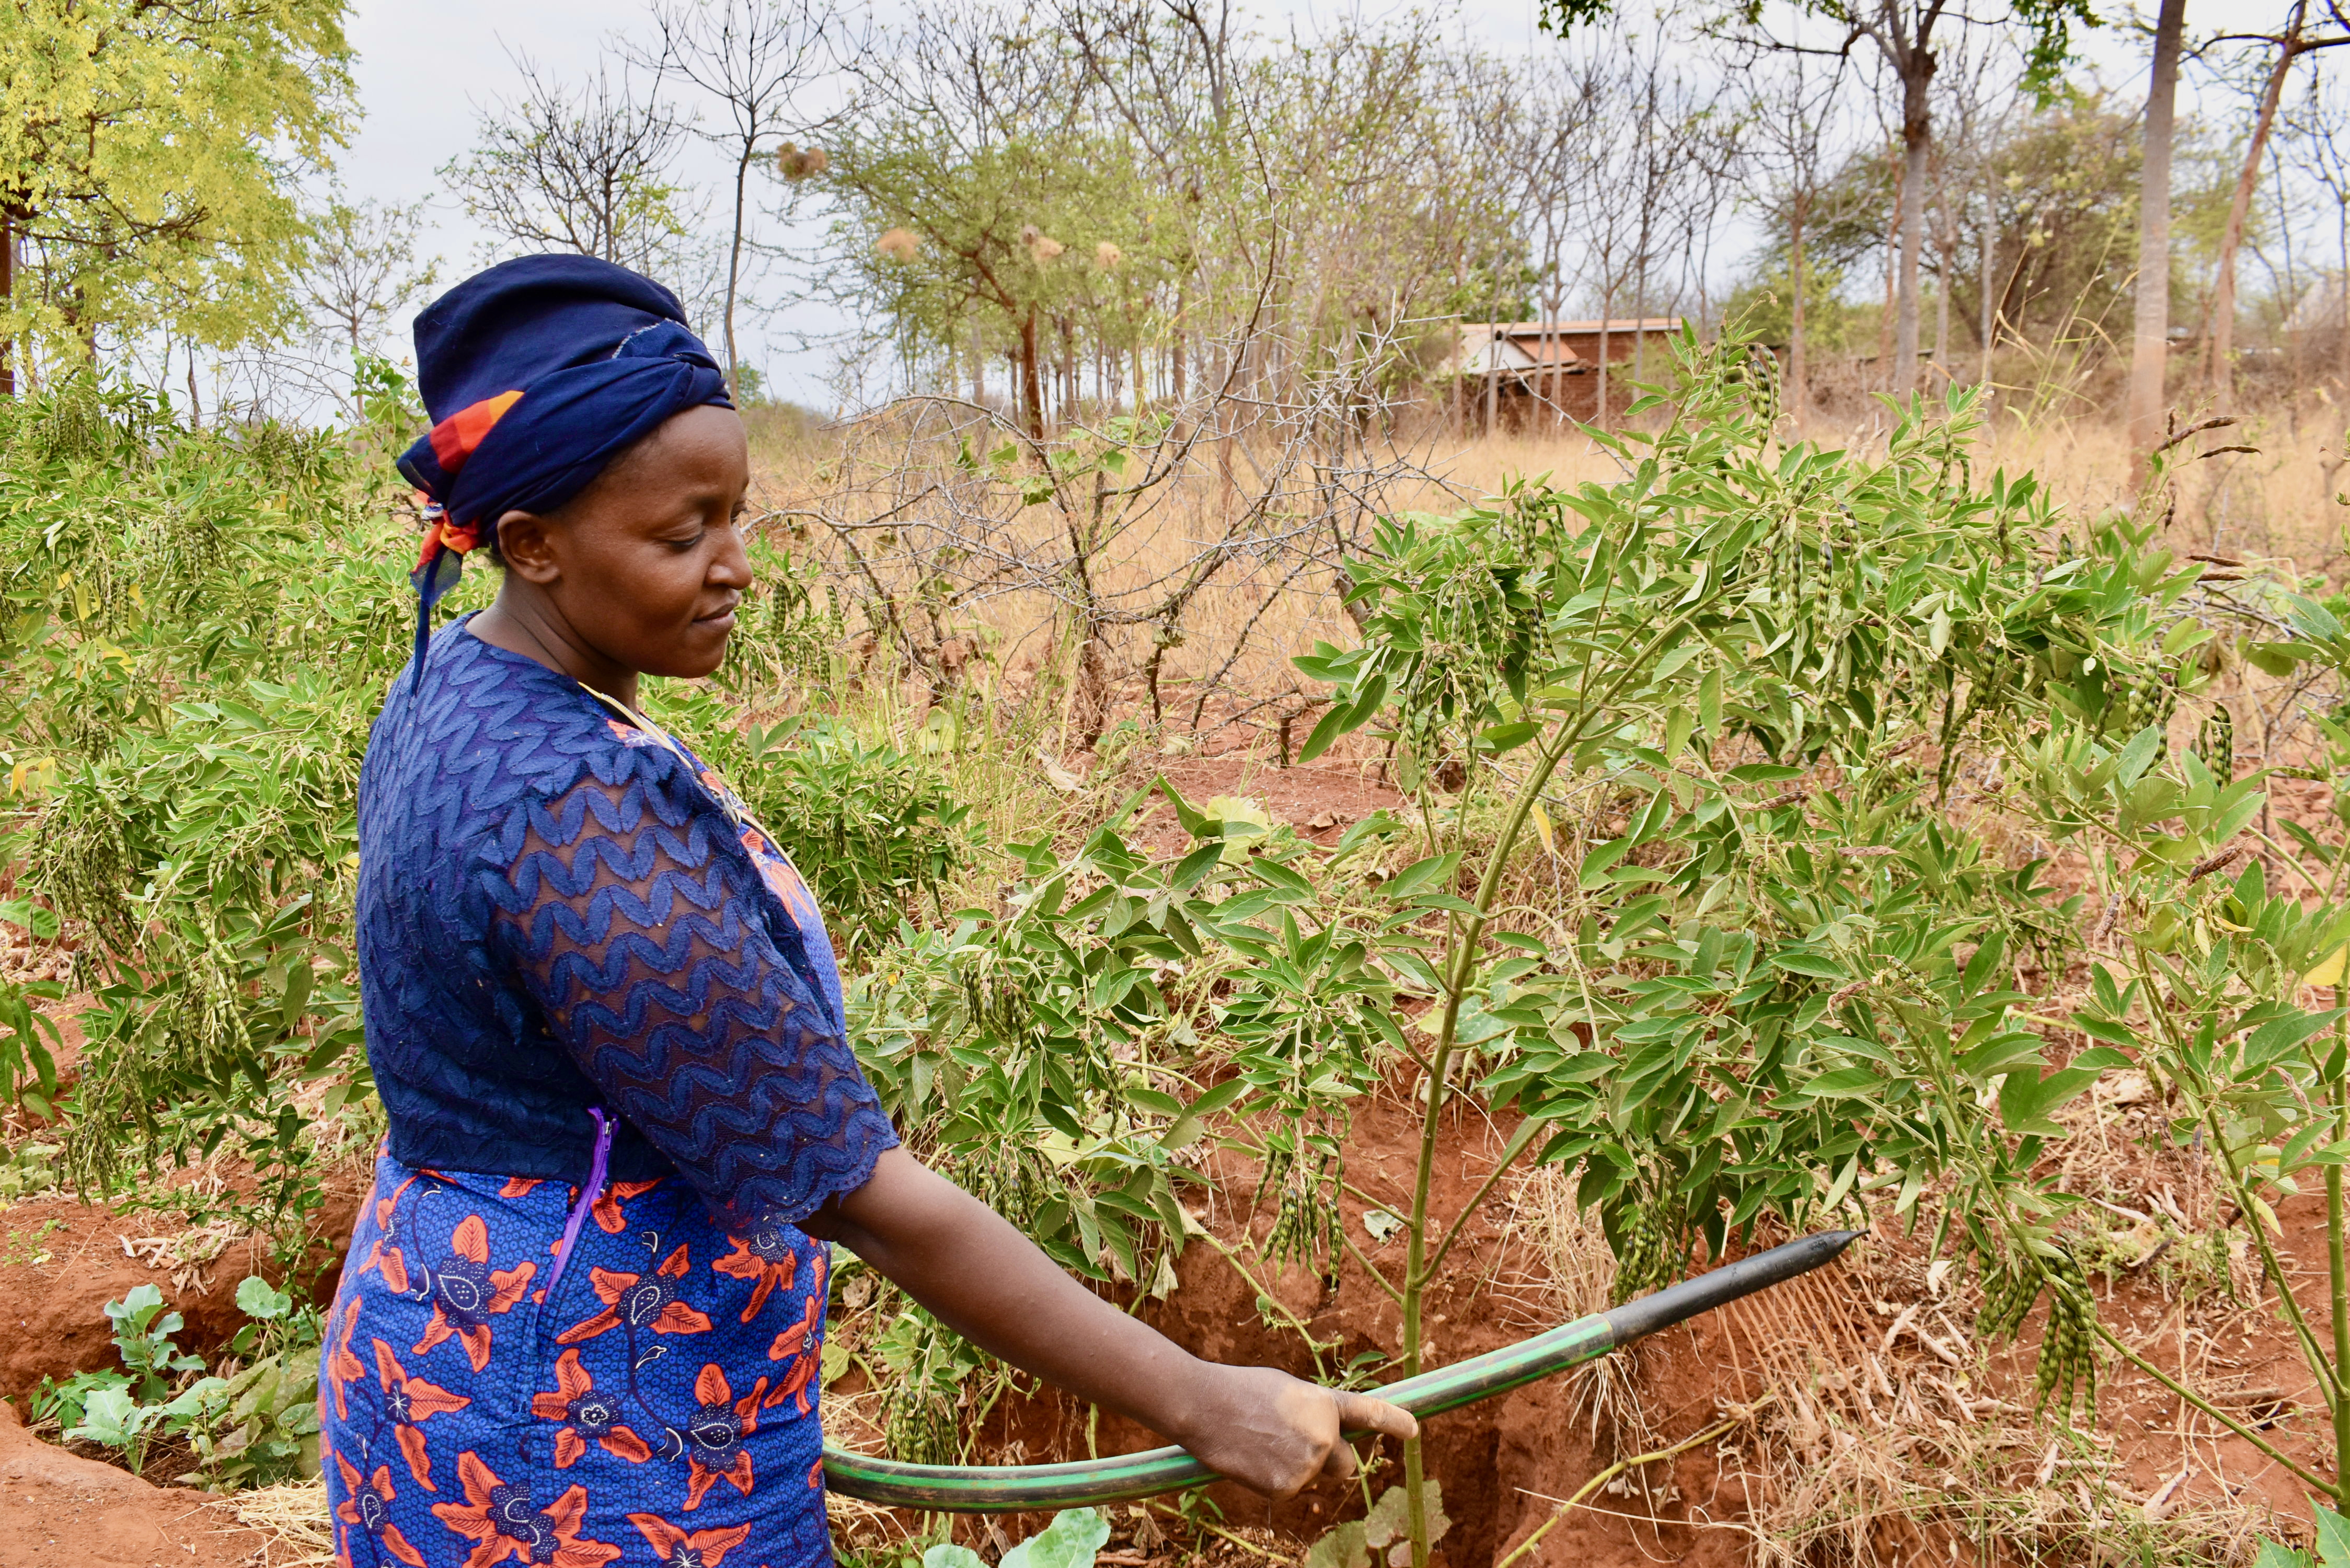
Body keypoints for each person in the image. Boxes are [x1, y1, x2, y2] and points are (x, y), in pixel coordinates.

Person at [320, 254, 1414, 1568]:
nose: (733, 568)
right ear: (532, 545)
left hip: (441, 1353)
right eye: (681, 536)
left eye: (734, 515)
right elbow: (853, 1193)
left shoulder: (459, 683)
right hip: (590, 1439)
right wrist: (1198, 1397)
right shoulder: (576, 804)